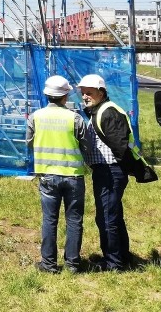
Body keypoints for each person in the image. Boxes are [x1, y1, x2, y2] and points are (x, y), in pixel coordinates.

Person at [26, 75, 90, 274]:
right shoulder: (76, 118)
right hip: (73, 176)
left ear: (47, 95)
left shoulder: (35, 117)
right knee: (74, 220)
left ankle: (49, 264)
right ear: (65, 96)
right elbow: (86, 145)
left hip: (47, 177)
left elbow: (29, 142)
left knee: (49, 220)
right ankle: (72, 265)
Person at [79, 73, 133, 272]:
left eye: (89, 93)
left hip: (110, 171)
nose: (85, 96)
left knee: (106, 217)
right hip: (106, 170)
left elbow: (121, 146)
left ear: (101, 92)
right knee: (114, 215)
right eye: (83, 93)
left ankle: (113, 263)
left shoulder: (108, 112)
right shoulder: (99, 110)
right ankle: (122, 257)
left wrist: (119, 169)